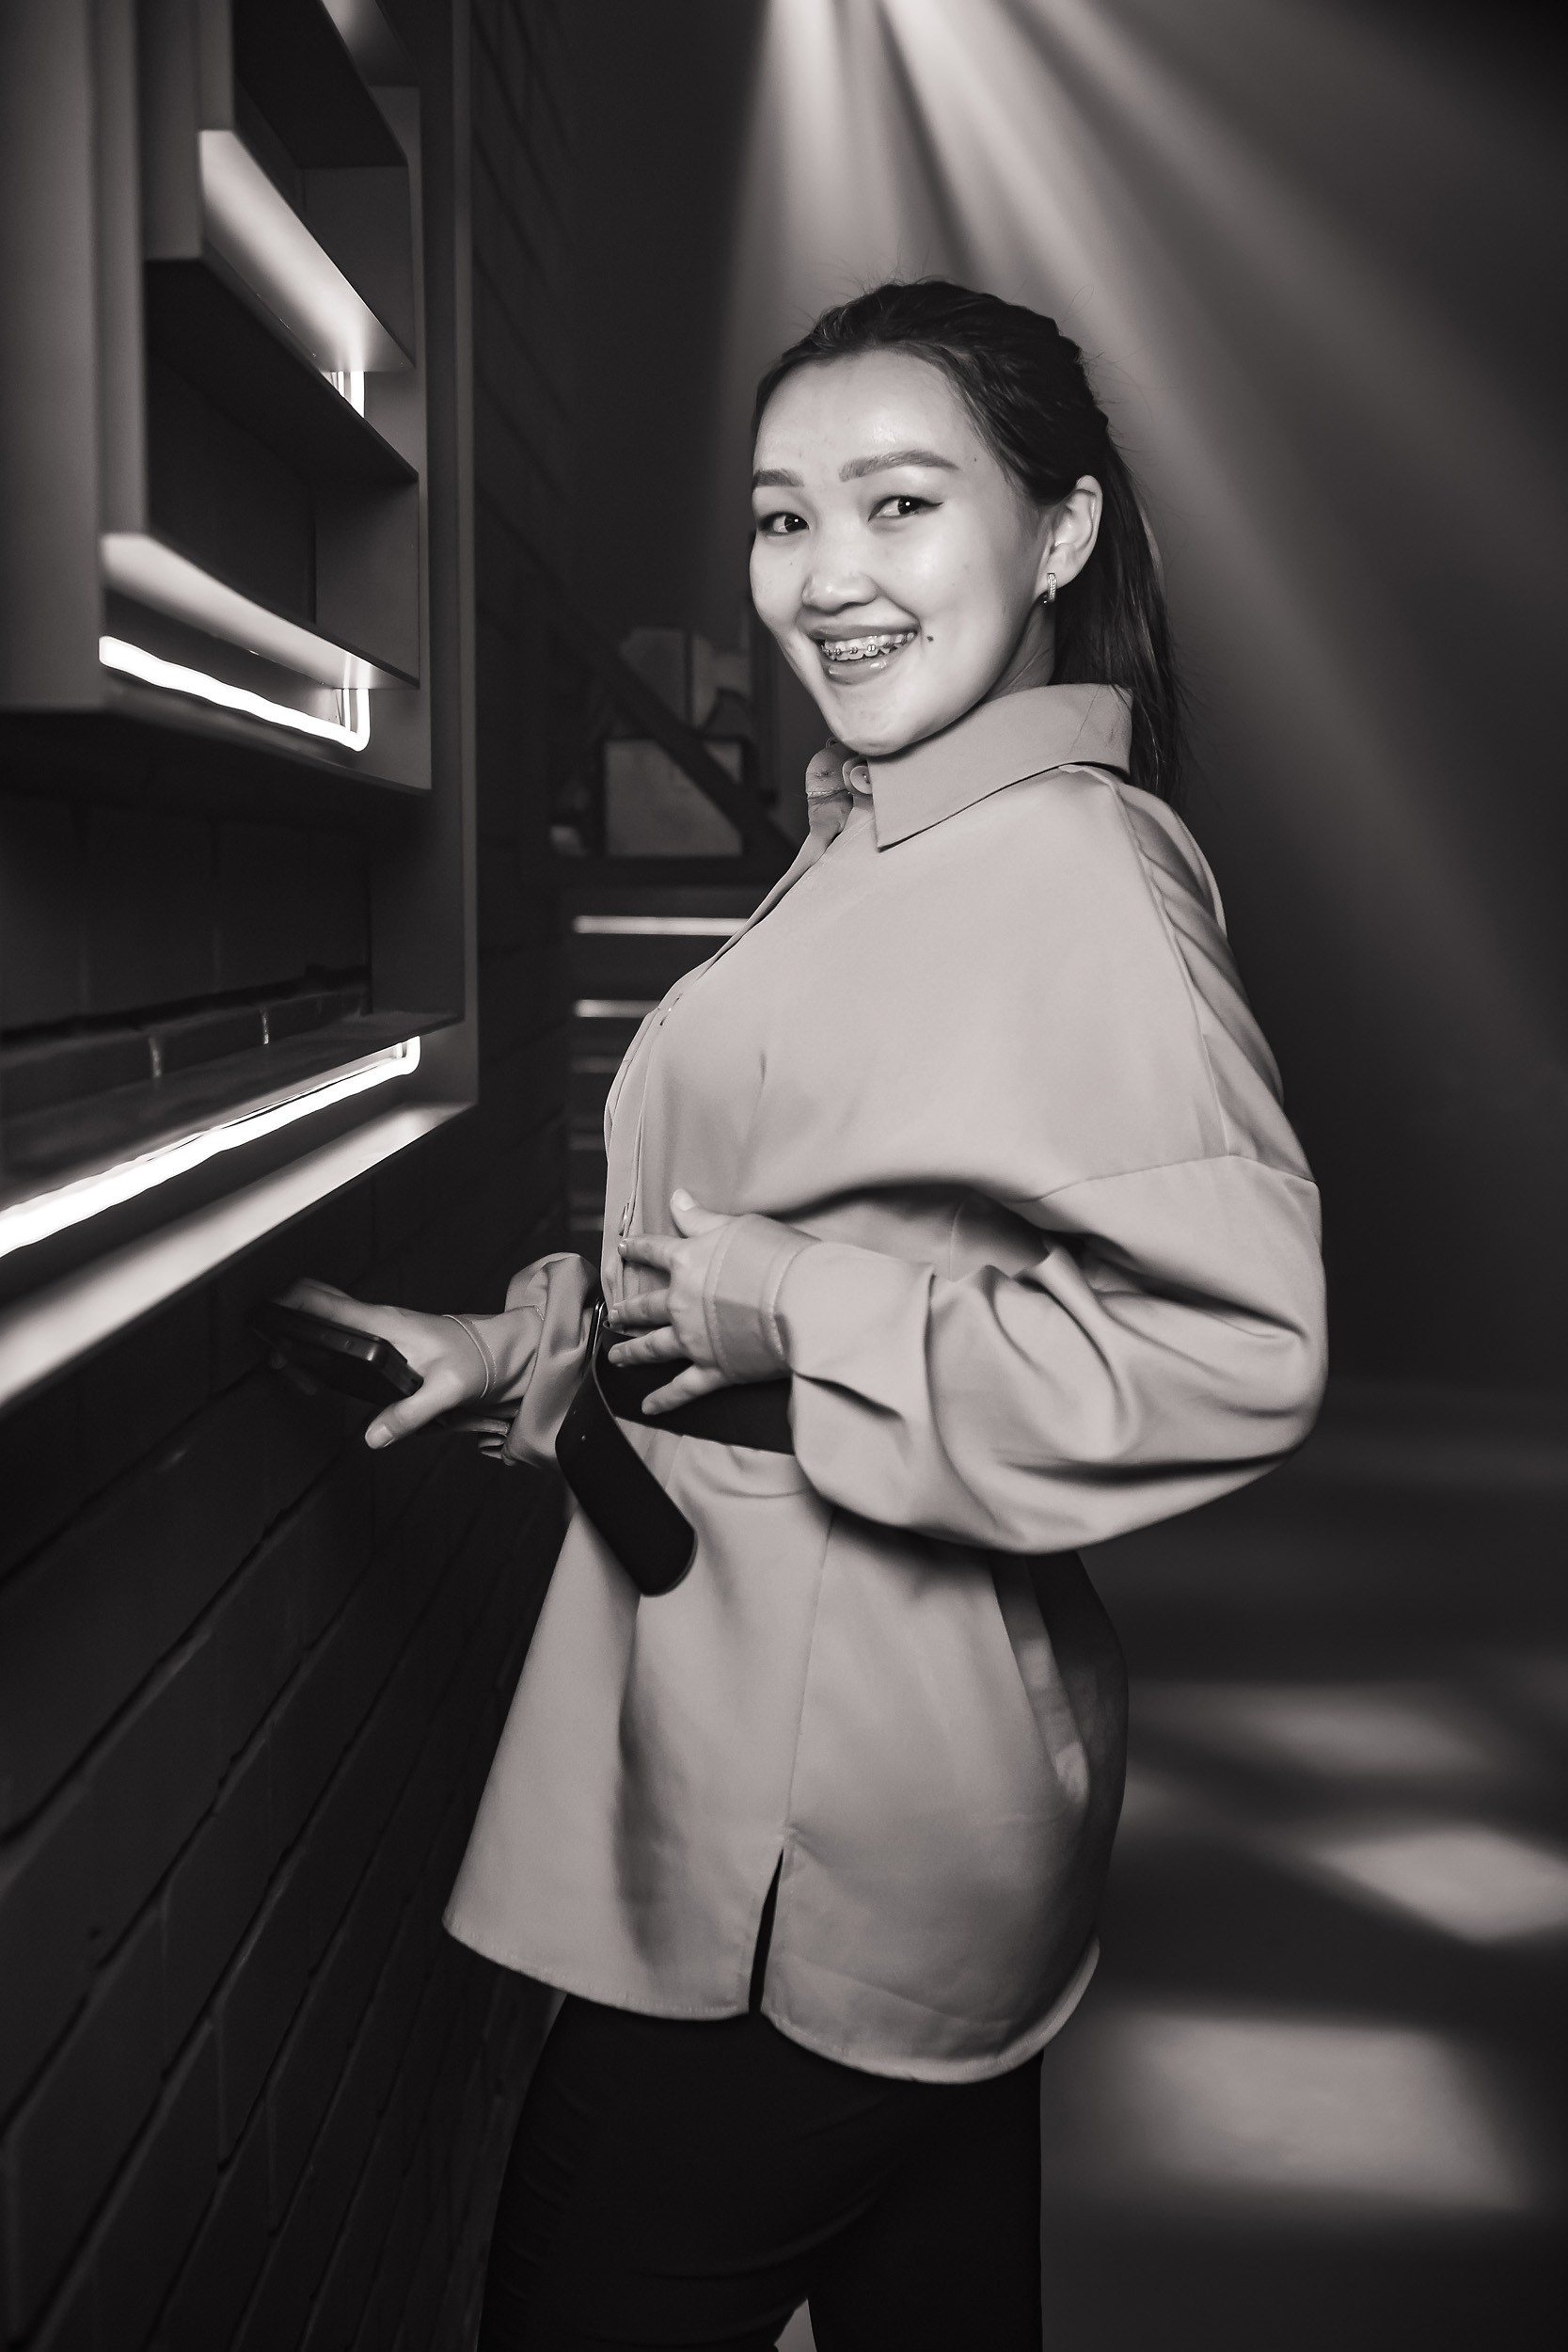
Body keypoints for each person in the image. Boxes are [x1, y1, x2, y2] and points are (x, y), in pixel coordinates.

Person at [288, 279, 1326, 2350]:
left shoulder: (1074, 875)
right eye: (783, 518)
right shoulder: (880, 836)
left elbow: (1236, 1349)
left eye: (899, 504)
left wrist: (786, 1303)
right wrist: (528, 1347)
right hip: (816, 1769)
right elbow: (778, 1239)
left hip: (841, 1814)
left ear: (1061, 532)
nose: (826, 575)